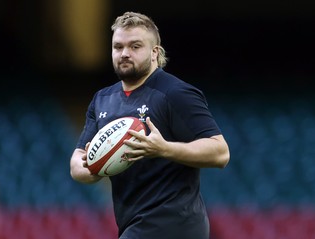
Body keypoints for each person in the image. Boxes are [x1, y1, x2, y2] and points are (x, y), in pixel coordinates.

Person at [70, 11, 230, 239]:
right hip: (132, 223)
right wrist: (93, 166)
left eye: (135, 46)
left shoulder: (175, 93)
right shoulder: (102, 99)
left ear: (155, 52)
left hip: (174, 223)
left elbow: (220, 152)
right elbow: (77, 161)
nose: (124, 53)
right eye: (118, 47)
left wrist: (164, 149)